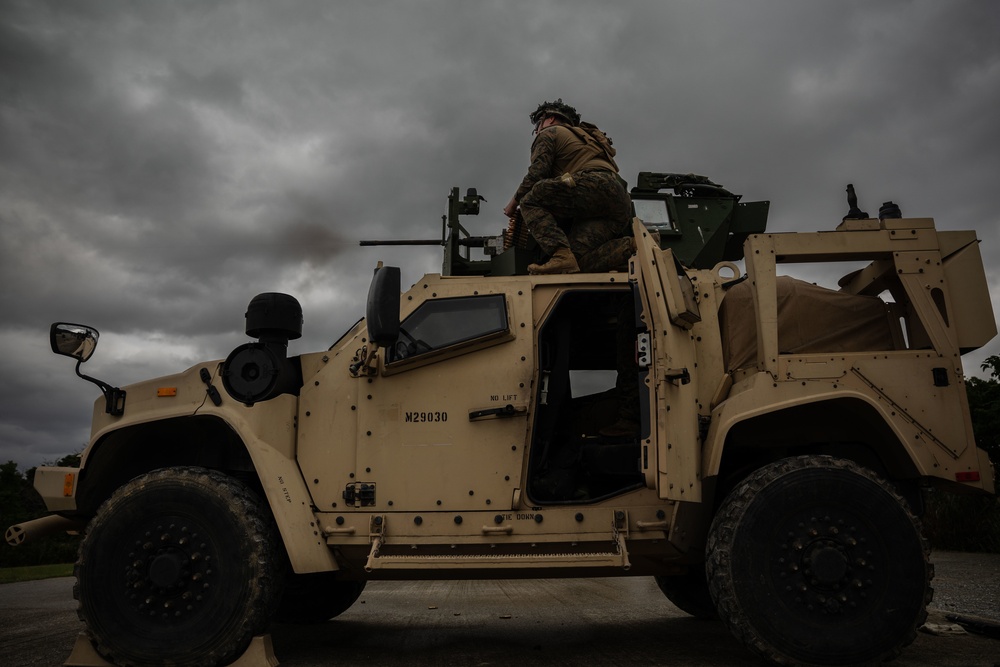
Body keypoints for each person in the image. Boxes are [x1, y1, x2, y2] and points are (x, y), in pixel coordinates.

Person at [503, 100, 633, 275]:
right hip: (619, 202)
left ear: (549, 119)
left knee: (531, 199)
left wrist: (513, 204)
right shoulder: (586, 139)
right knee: (576, 261)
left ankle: (559, 253)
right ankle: (632, 246)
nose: (536, 131)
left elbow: (536, 174)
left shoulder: (550, 132)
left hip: (593, 186)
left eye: (537, 125)